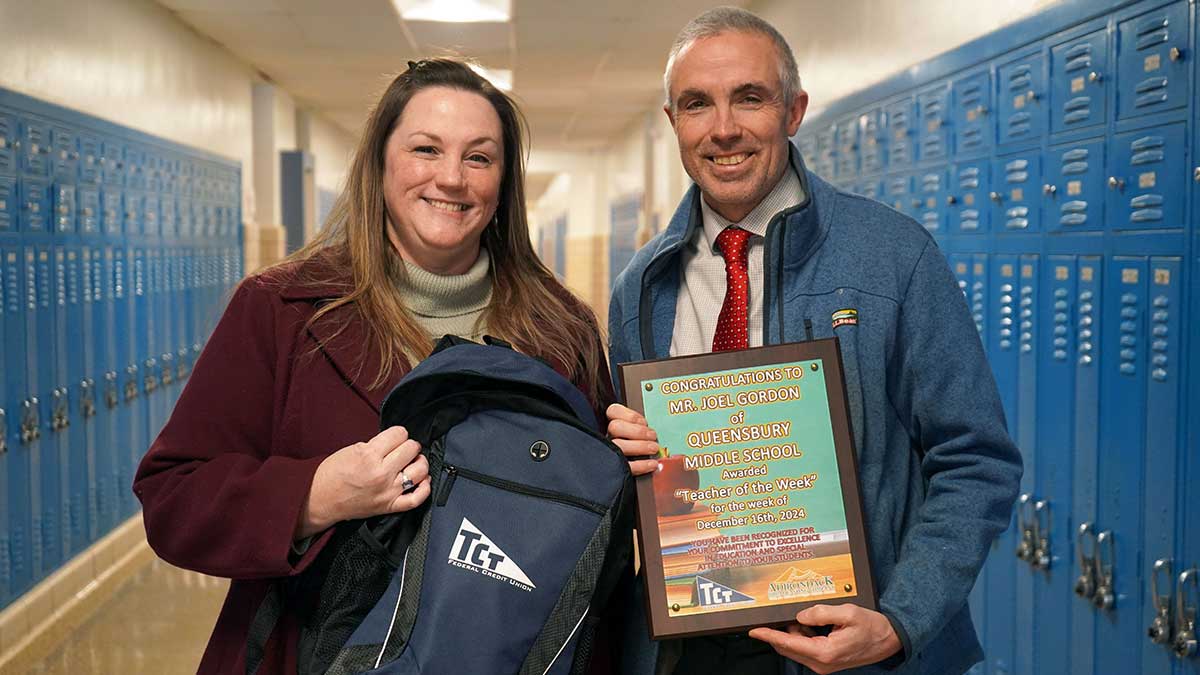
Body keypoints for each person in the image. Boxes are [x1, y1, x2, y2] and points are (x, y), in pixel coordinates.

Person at [133, 58, 614, 674]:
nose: (451, 178)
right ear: (381, 163)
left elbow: (591, 542)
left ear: (503, 182)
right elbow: (174, 498)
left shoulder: (561, 330)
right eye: (425, 149)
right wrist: (314, 496)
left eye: (479, 157)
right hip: (312, 653)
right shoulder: (283, 310)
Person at [606, 7, 1022, 675]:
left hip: (856, 647)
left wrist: (900, 620)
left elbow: (977, 460)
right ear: (673, 123)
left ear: (794, 110)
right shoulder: (641, 287)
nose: (724, 129)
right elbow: (641, 484)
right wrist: (622, 455)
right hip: (695, 646)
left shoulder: (894, 258)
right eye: (696, 104)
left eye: (750, 97)